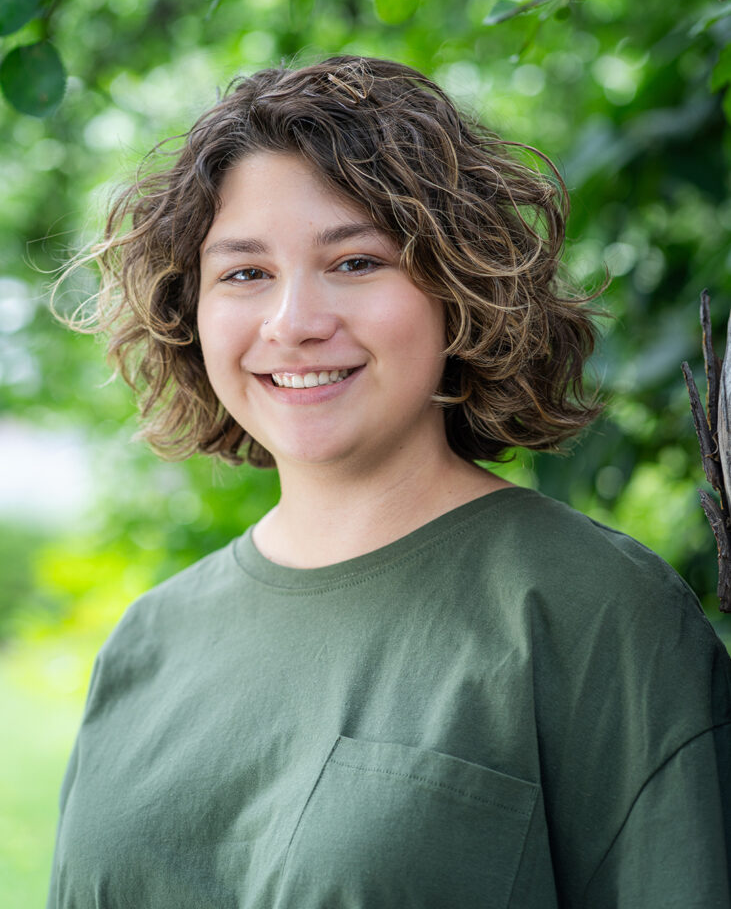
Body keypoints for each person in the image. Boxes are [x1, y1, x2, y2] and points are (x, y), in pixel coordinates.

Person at [47, 55, 731, 908]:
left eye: (356, 262)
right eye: (244, 273)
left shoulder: (591, 610)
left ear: (459, 285)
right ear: (193, 312)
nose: (294, 323)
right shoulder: (147, 644)